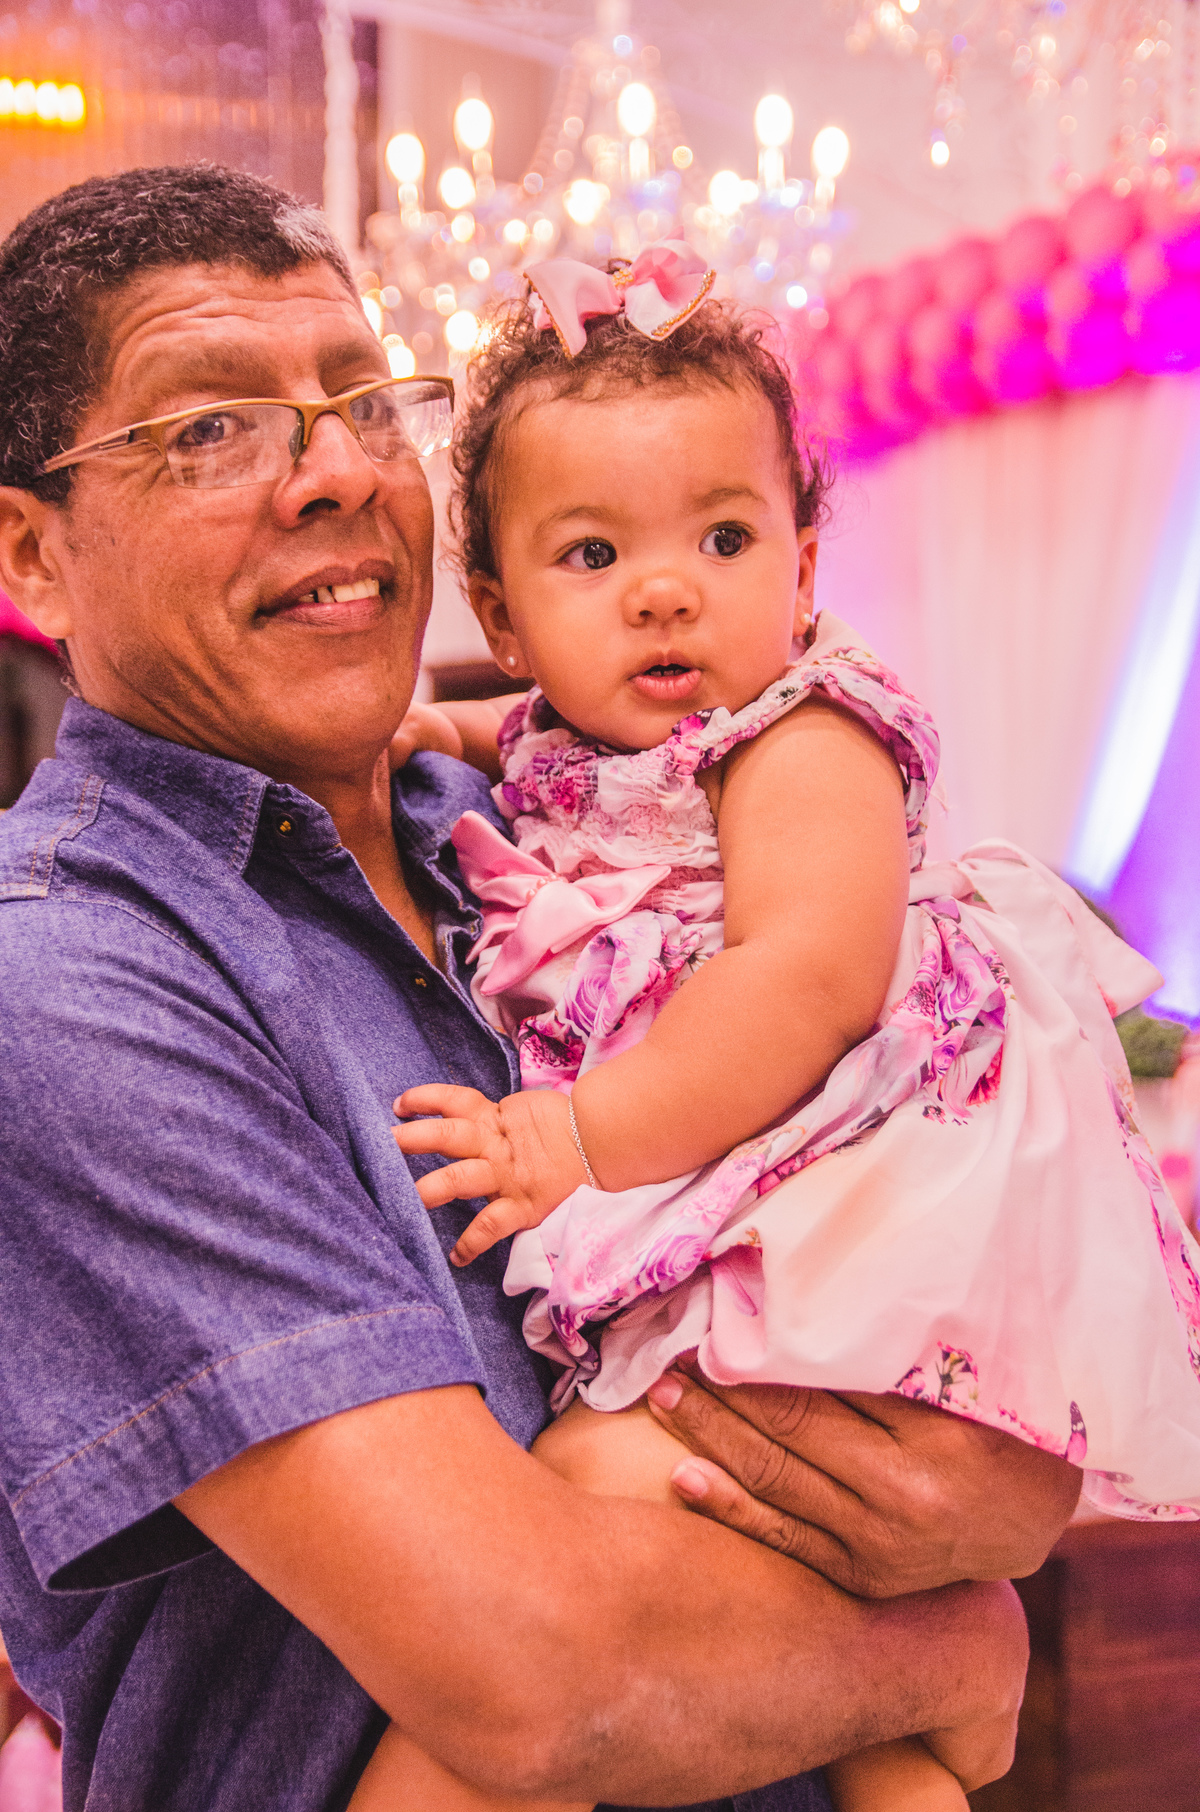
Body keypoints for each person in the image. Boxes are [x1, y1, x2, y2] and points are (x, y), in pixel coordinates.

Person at [0, 168, 1078, 1812]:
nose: (337, 472)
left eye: (366, 402)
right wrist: (954, 1647)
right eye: (210, 428)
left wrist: (989, 1508)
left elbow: (967, 1430)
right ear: (34, 557)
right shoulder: (67, 969)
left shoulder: (569, 826)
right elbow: (530, 1668)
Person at [384, 249, 1200, 1809]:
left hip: (854, 1230)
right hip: (752, 1220)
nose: (666, 589)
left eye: (725, 536)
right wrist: (433, 726)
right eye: (592, 553)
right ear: (499, 609)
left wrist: (576, 1135)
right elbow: (530, 741)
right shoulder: (566, 731)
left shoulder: (800, 738)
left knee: (574, 1521)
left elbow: (803, 983)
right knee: (840, 1673)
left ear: (807, 561)